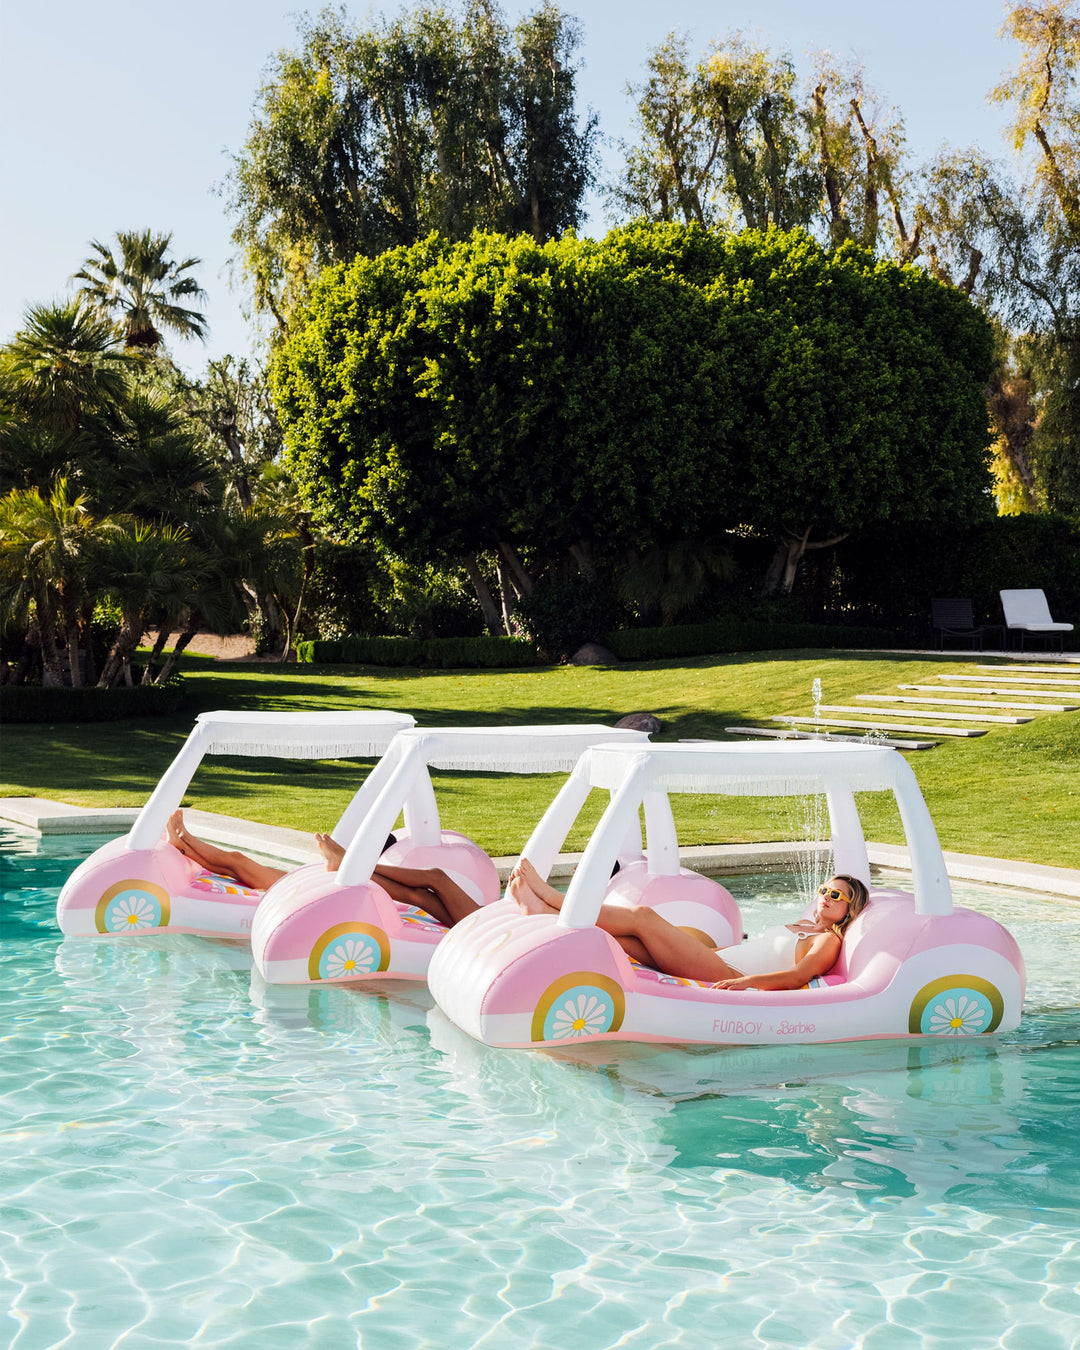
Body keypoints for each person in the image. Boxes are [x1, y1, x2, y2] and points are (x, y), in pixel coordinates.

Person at [507, 857, 869, 990]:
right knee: (622, 941)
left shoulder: (829, 941)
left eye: (836, 896)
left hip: (719, 971)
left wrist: (746, 983)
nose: (825, 896)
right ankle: (540, 916)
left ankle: (554, 897)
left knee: (644, 918)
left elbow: (796, 977)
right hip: (713, 957)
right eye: (825, 889)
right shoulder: (800, 926)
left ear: (849, 911)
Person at [165, 810, 484, 928]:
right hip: (304, 884)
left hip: (480, 926)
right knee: (422, 894)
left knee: (434, 879)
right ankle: (184, 841)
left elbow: (234, 864)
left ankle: (185, 841)